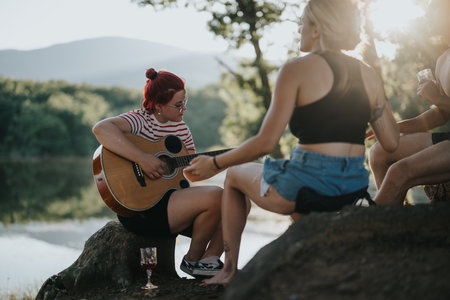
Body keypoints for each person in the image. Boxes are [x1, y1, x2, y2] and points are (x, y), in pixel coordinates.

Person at [185, 0, 399, 285]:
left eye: (302, 23)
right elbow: (392, 142)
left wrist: (214, 163)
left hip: (307, 183)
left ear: (317, 29)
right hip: (352, 187)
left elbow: (264, 142)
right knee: (300, 211)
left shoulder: (296, 69)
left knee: (235, 175)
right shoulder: (368, 74)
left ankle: (228, 271)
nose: (299, 29)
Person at [92, 68, 224, 277]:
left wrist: (221, 162)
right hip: (140, 209)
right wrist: (142, 159)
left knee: (238, 200)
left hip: (174, 202)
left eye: (184, 102)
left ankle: (208, 261)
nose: (184, 109)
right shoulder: (140, 120)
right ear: (159, 105)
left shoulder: (182, 130)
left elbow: (191, 174)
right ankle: (192, 260)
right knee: (218, 195)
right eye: (178, 105)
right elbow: (101, 129)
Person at [367, 0, 450, 205]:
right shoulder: (442, 60)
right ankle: (396, 222)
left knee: (398, 171)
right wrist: (396, 127)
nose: (430, 13)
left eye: (436, 8)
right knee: (379, 152)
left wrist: (438, 98)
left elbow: (442, 104)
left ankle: (376, 228)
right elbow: (440, 115)